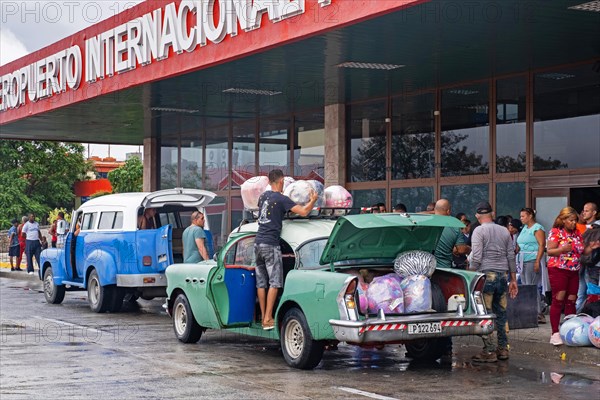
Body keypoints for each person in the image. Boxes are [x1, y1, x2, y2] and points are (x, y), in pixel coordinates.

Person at [255, 169, 318, 330]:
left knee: (261, 282)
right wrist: (313, 200)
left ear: (269, 181)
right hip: (270, 243)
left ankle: (263, 316)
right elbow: (304, 212)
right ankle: (269, 318)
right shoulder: (282, 199)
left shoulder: (263, 197)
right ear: (282, 181)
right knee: (275, 282)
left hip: (258, 243)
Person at [470, 201, 518, 362]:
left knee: (485, 314)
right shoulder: (504, 231)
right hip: (503, 276)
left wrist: (469, 276)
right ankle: (503, 349)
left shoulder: (478, 231)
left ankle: (489, 351)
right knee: (501, 313)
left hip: (486, 276)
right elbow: (511, 255)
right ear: (492, 213)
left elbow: (476, 257)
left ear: (477, 216)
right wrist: (513, 279)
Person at [433, 199, 470, 361]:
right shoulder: (454, 225)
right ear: (448, 211)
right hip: (444, 271)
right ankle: (446, 347)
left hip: (424, 272)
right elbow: (461, 250)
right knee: (445, 309)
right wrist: (466, 248)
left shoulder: (426, 223)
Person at [546, 207, 585, 346]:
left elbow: (582, 249)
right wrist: (562, 249)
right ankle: (555, 333)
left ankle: (569, 329)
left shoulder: (577, 233)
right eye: (571, 220)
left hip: (574, 270)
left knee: (572, 300)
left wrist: (591, 248)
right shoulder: (555, 232)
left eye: (575, 220)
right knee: (558, 299)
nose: (574, 223)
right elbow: (550, 251)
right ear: (563, 220)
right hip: (558, 270)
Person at [516, 207, 546, 323]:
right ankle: (529, 311)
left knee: (531, 286)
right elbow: (520, 243)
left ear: (530, 216)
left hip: (532, 260)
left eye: (523, 216)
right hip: (522, 260)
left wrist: (538, 261)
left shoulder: (537, 228)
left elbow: (542, 244)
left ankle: (538, 312)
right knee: (525, 285)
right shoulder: (524, 228)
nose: (521, 218)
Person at [576, 202, 598, 312]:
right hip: (583, 263)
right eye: (583, 210)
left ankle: (590, 315)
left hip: (593, 264)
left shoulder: (596, 226)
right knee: (581, 292)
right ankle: (578, 316)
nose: (584, 213)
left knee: (592, 292)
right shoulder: (586, 227)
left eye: (587, 210)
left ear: (594, 212)